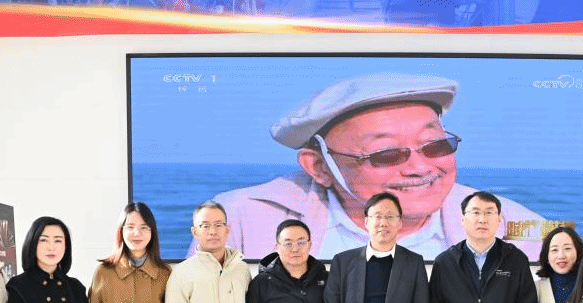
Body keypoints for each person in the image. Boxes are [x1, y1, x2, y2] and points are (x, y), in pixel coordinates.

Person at [207, 73, 546, 261]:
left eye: (435, 145)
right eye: (386, 154)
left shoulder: (516, 224)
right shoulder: (239, 219)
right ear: (319, 167)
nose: (420, 167)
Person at [322, 192, 429, 303]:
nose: (383, 223)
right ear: (366, 222)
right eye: (377, 216)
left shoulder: (413, 263)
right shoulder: (342, 262)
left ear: (400, 223)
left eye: (390, 217)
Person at [164, 201, 253, 303]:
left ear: (227, 229)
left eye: (218, 225)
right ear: (195, 232)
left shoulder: (242, 269)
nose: (212, 232)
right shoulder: (181, 273)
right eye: (205, 226)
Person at [246, 219, 328, 303]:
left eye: (301, 242)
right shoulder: (261, 283)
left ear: (310, 245)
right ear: (277, 247)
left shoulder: (327, 279)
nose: (295, 249)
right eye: (288, 243)